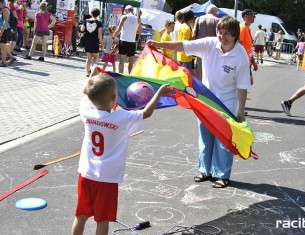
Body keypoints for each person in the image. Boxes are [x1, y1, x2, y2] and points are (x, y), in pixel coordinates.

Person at [147, 16, 251, 188]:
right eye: (220, 32)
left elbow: (242, 85)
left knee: (223, 138)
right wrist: (159, 45)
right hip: (206, 98)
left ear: (234, 36)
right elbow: (182, 45)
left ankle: (222, 174)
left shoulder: (240, 54)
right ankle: (205, 170)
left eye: (226, 34)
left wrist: (241, 110)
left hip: (227, 101)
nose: (221, 36)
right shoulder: (210, 44)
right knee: (205, 134)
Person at [71, 68, 172, 235]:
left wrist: (91, 76)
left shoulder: (87, 112)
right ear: (113, 98)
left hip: (86, 174)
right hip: (107, 178)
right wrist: (160, 92)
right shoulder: (121, 118)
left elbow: (84, 94)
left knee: (80, 215)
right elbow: (146, 113)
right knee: (102, 219)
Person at [192, 4, 219, 81]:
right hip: (212, 48)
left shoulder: (198, 19)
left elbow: (194, 34)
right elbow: (218, 36)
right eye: (216, 11)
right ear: (213, 11)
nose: (217, 13)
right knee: (210, 68)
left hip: (200, 47)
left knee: (199, 68)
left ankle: (201, 86)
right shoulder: (217, 20)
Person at [113, 5, 142, 74]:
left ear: (127, 10)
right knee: (130, 61)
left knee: (122, 60)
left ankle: (120, 75)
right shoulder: (138, 19)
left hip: (123, 40)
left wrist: (113, 36)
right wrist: (133, 31)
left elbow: (119, 29)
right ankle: (129, 75)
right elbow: (140, 31)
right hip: (132, 42)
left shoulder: (124, 17)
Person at [80, 8, 103, 77]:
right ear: (98, 15)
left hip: (87, 41)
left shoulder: (86, 21)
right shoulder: (99, 23)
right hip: (95, 41)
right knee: (95, 58)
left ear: (91, 13)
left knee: (88, 58)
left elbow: (82, 29)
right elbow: (100, 34)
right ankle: (93, 73)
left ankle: (87, 72)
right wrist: (101, 42)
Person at [239, 9, 258, 85]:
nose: (254, 16)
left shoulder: (247, 28)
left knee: (248, 83)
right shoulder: (243, 28)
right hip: (242, 61)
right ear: (245, 17)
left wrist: (253, 62)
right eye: (252, 14)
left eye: (254, 15)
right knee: (246, 83)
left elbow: (248, 48)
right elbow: (238, 45)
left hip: (246, 60)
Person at [0, 0, 16, 67]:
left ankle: (4, 62)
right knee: (2, 46)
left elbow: (5, 21)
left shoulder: (5, 10)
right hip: (4, 29)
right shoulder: (3, 9)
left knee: (3, 46)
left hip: (5, 30)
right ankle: (12, 58)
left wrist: (1, 31)